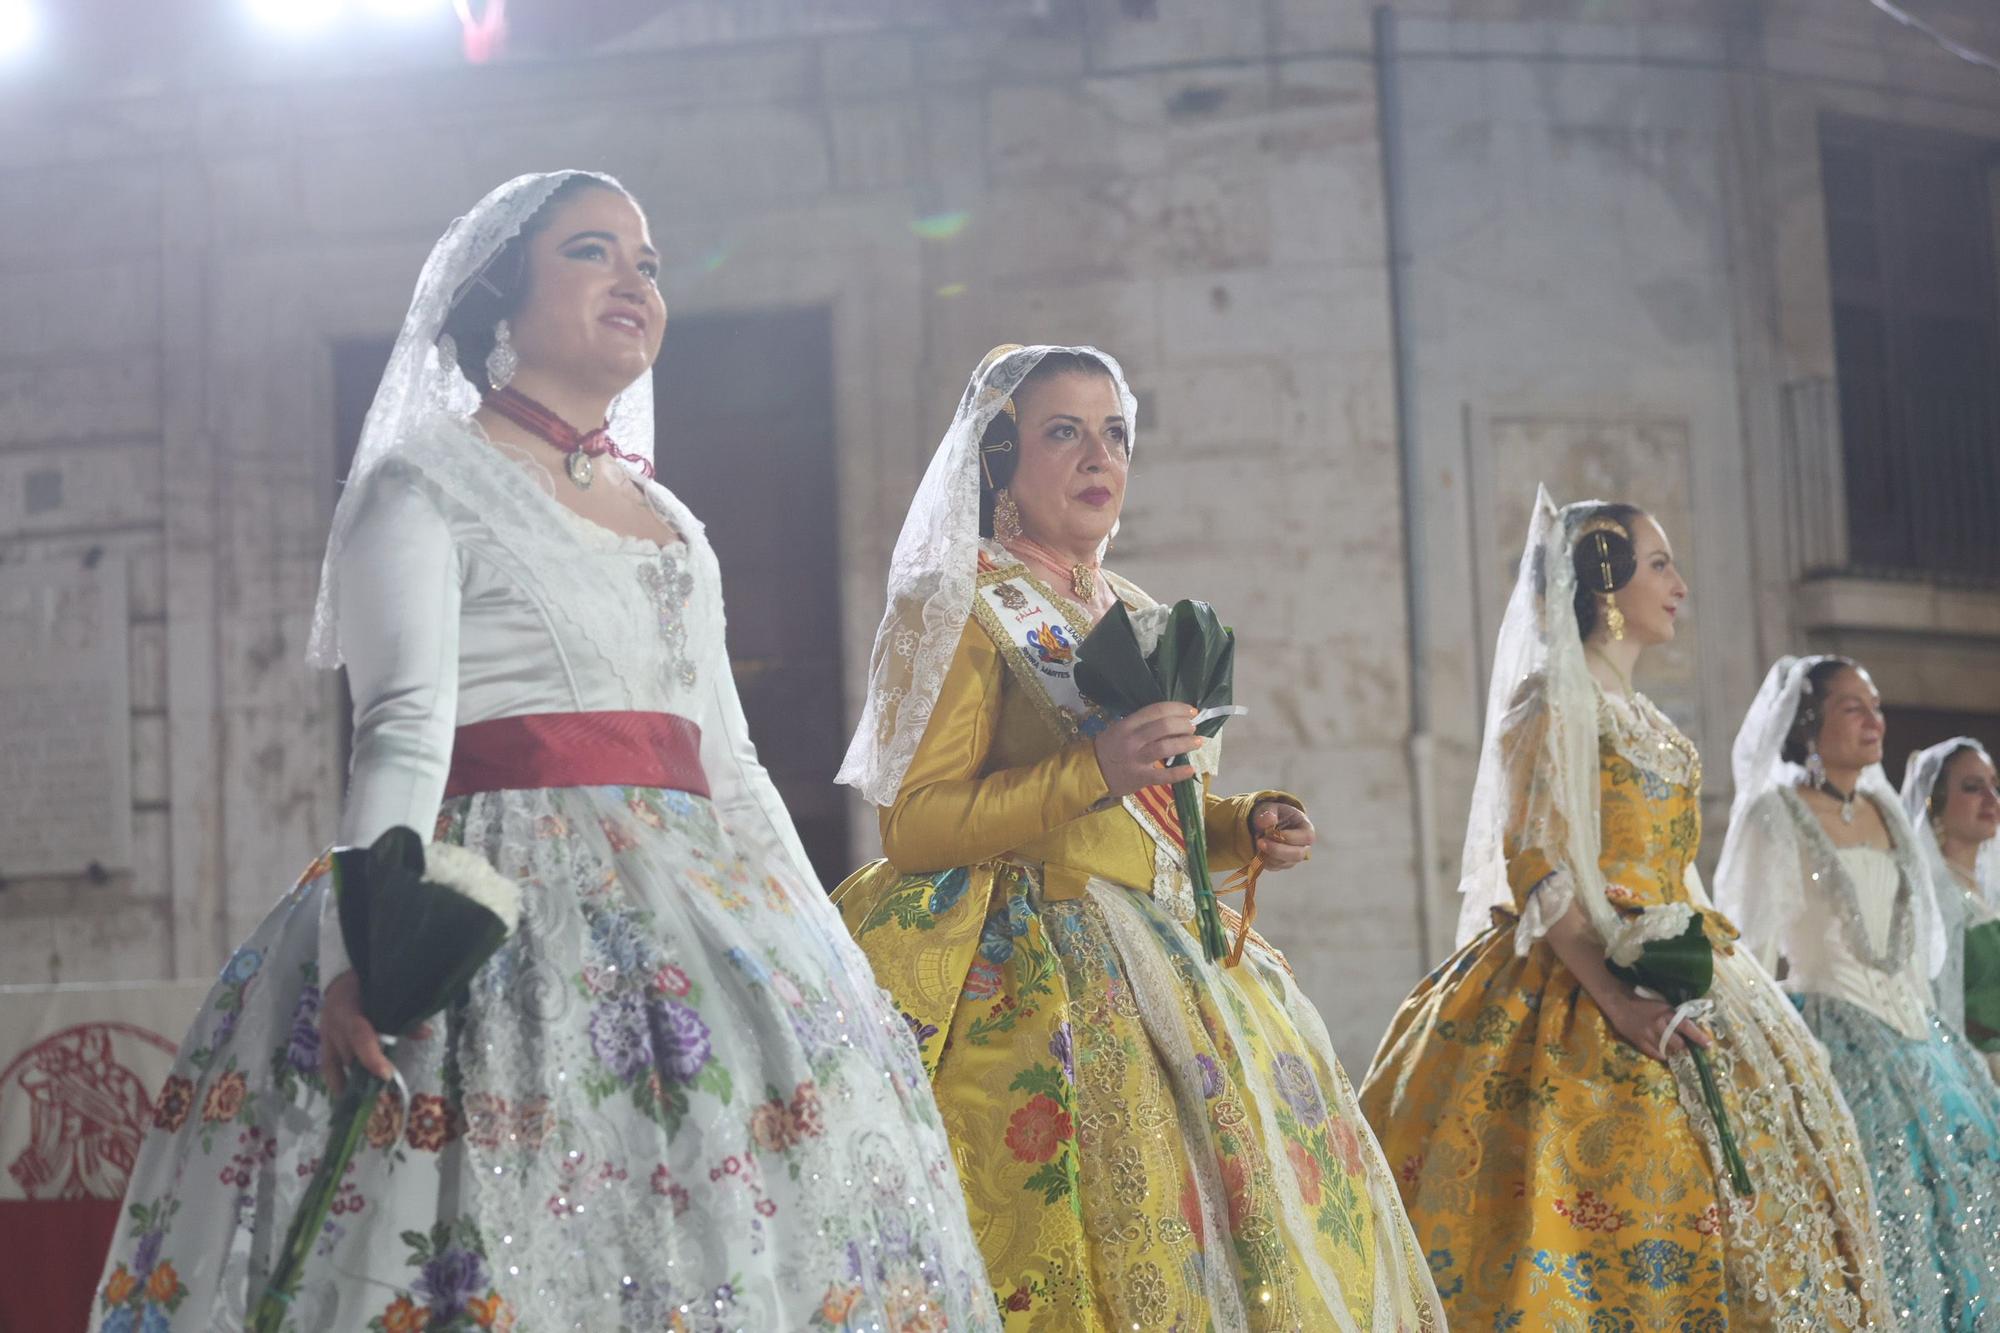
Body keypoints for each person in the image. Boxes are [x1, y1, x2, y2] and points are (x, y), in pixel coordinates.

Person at [92, 171, 997, 1332]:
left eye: (647, 263)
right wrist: (368, 950)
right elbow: (401, 726)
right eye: (590, 251)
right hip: (492, 900)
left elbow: (731, 765)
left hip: (697, 909)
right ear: (498, 298)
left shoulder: (673, 522)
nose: (634, 280)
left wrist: (828, 961)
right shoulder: (422, 486)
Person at [831, 344, 1444, 1331]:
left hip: (1170, 957)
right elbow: (914, 824)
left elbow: (1160, 814)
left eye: (1113, 433)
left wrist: (1243, 825)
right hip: (1027, 969)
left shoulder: (1141, 612)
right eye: (1063, 432)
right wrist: (1091, 769)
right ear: (1000, 458)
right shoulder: (958, 601)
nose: (1098, 456)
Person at [1360, 490, 1886, 1331]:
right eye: (1660, 564)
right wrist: (1619, 1000)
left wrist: (1732, 981)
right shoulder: (1552, 702)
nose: (1680, 585)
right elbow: (1539, 863)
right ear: (1605, 578)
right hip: (1581, 976)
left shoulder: (1647, 718)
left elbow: (1677, 868)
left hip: (1684, 960)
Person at [1716, 659, 2000, 1328]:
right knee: (1876, 1205)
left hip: (1920, 1041)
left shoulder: (1888, 811)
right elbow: (1749, 951)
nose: (1874, 721)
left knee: (1970, 1192)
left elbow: (1913, 946)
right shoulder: (1775, 814)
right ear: (1808, 724)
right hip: (1831, 1039)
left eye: (1876, 707)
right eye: (1853, 707)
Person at [1903, 734, 2000, 1080]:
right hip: (1974, 1073)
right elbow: (1932, 1008)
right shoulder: (1931, 899)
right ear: (1935, 803)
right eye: (1973, 787)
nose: (1991, 798)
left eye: (1994, 786)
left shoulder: (1989, 895)